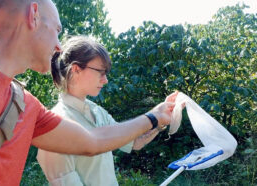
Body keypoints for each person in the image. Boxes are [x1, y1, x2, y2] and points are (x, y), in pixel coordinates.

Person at [0, 0, 178, 185]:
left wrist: (156, 117)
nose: (59, 46)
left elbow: (93, 141)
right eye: (57, 30)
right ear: (33, 15)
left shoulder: (27, 106)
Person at [37, 36, 166, 186]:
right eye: (100, 72)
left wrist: (160, 118)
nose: (105, 80)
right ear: (76, 69)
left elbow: (134, 142)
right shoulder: (56, 126)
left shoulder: (97, 111)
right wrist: (155, 117)